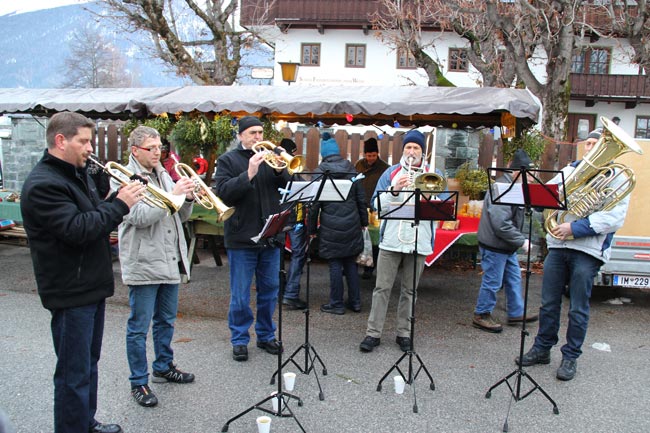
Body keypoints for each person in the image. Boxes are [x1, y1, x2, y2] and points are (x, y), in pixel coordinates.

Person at [20, 111, 144, 433]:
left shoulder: (76, 174)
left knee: (87, 366)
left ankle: (84, 422)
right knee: (73, 373)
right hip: (70, 291)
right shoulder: (43, 184)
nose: (90, 148)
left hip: (89, 285)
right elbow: (77, 228)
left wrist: (108, 193)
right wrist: (120, 204)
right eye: (84, 141)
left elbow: (91, 213)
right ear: (61, 141)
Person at [518, 128, 631, 381]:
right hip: (558, 245)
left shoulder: (616, 177)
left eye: (597, 143)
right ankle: (542, 348)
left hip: (588, 248)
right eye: (589, 143)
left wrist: (574, 227)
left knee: (578, 307)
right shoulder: (570, 171)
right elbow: (543, 197)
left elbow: (614, 217)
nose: (591, 148)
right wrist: (541, 196)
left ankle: (570, 357)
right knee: (548, 302)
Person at [111, 126, 197, 408]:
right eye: (151, 148)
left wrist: (188, 198)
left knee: (166, 321)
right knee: (139, 327)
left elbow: (178, 217)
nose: (158, 152)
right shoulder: (124, 177)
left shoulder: (163, 173)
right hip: (144, 261)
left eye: (160, 146)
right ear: (136, 150)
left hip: (169, 258)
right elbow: (139, 217)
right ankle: (139, 382)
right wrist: (174, 195)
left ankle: (163, 366)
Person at [213, 115, 291, 362]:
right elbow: (224, 194)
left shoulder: (271, 158)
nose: (258, 137)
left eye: (260, 132)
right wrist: (249, 173)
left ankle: (266, 335)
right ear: (240, 136)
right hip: (242, 238)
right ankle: (239, 339)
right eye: (252, 133)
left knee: (270, 291)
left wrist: (281, 168)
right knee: (240, 294)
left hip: (270, 236)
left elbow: (288, 188)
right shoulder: (227, 160)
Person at [359, 130, 440, 353]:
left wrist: (427, 194)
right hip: (392, 239)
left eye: (416, 148)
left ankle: (404, 333)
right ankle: (373, 333)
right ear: (402, 150)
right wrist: (394, 189)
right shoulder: (390, 172)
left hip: (418, 240)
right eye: (408, 148)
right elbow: (375, 204)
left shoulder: (433, 173)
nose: (411, 152)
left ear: (422, 151)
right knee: (381, 288)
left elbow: (441, 207)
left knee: (410, 291)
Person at [472, 149, 539, 333]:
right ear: (518, 172)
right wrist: (521, 241)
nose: (532, 179)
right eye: (530, 175)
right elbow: (501, 224)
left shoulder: (514, 187)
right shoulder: (502, 188)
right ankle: (481, 314)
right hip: (495, 245)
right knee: (493, 281)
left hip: (504, 246)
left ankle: (516, 312)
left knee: (514, 278)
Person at [310, 133, 368, 315]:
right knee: (351, 263)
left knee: (335, 263)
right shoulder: (352, 170)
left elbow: (314, 206)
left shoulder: (320, 173)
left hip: (330, 226)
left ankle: (336, 304)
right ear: (338, 152)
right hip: (352, 224)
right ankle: (355, 302)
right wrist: (364, 222)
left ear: (323, 155)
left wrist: (311, 229)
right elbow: (361, 200)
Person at [354, 137, 389, 279]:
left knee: (374, 239)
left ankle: (370, 267)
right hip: (359, 206)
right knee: (358, 237)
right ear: (364, 154)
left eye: (374, 155)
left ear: (378, 154)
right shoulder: (358, 165)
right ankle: (354, 265)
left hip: (375, 207)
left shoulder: (385, 168)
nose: (371, 158)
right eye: (369, 155)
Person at [281, 138, 309, 310]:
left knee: (276, 256)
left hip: (280, 217)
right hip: (292, 217)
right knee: (298, 255)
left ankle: (280, 292)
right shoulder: (287, 168)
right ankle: (290, 294)